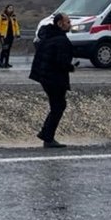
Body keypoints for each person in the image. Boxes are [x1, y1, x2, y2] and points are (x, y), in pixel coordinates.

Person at [29, 12, 75, 148]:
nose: (70, 24)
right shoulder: (61, 40)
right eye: (67, 22)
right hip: (54, 79)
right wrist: (70, 67)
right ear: (60, 24)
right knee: (58, 106)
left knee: (57, 106)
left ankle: (46, 135)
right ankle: (47, 136)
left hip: (44, 76)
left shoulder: (48, 35)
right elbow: (61, 62)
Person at [0, 4, 21, 68]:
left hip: (11, 35)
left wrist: (17, 34)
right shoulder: (2, 16)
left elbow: (16, 25)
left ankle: (6, 63)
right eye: (9, 8)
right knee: (4, 49)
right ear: (6, 8)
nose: (11, 9)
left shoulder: (13, 16)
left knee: (8, 49)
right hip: (3, 35)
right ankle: (1, 62)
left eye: (12, 8)